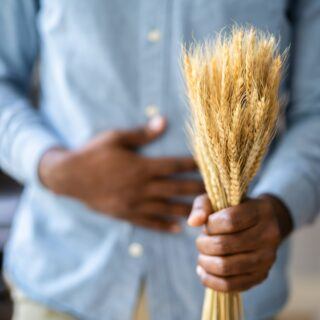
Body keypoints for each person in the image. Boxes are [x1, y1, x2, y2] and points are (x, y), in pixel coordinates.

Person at [0, 1, 320, 319]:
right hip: (66, 274)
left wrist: (275, 211)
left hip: (238, 296)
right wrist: (55, 168)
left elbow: (315, 114)